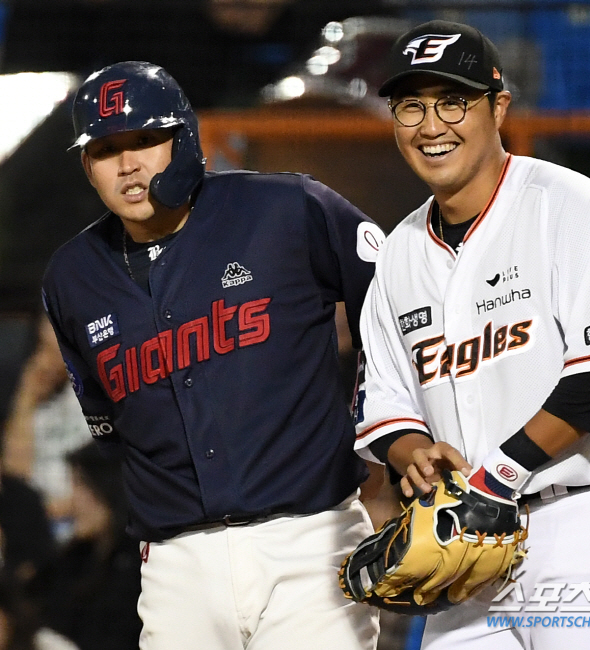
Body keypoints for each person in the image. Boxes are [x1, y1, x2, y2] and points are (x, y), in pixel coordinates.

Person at [40, 61, 384, 650]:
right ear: (85, 166)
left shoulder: (286, 209)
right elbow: (109, 425)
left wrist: (385, 428)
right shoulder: (72, 278)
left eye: (147, 140)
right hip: (176, 565)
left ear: (186, 138)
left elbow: (397, 307)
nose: (128, 164)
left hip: (311, 540)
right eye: (106, 149)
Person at [353, 20, 590, 650]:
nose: (431, 125)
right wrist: (413, 454)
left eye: (452, 102)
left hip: (584, 521)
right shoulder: (398, 253)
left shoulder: (564, 202)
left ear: (499, 107)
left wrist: (499, 473)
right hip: (465, 544)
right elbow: (384, 405)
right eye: (411, 106)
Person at [29, 441, 142, 650]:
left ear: (111, 487)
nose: (73, 501)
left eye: (82, 485)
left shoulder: (140, 568)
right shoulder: (75, 558)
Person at [3, 313, 91, 537]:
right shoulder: (33, 403)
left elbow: (107, 483)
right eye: (42, 347)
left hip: (79, 523)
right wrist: (27, 396)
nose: (44, 360)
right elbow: (14, 475)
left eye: (55, 351)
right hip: (35, 526)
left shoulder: (95, 397)